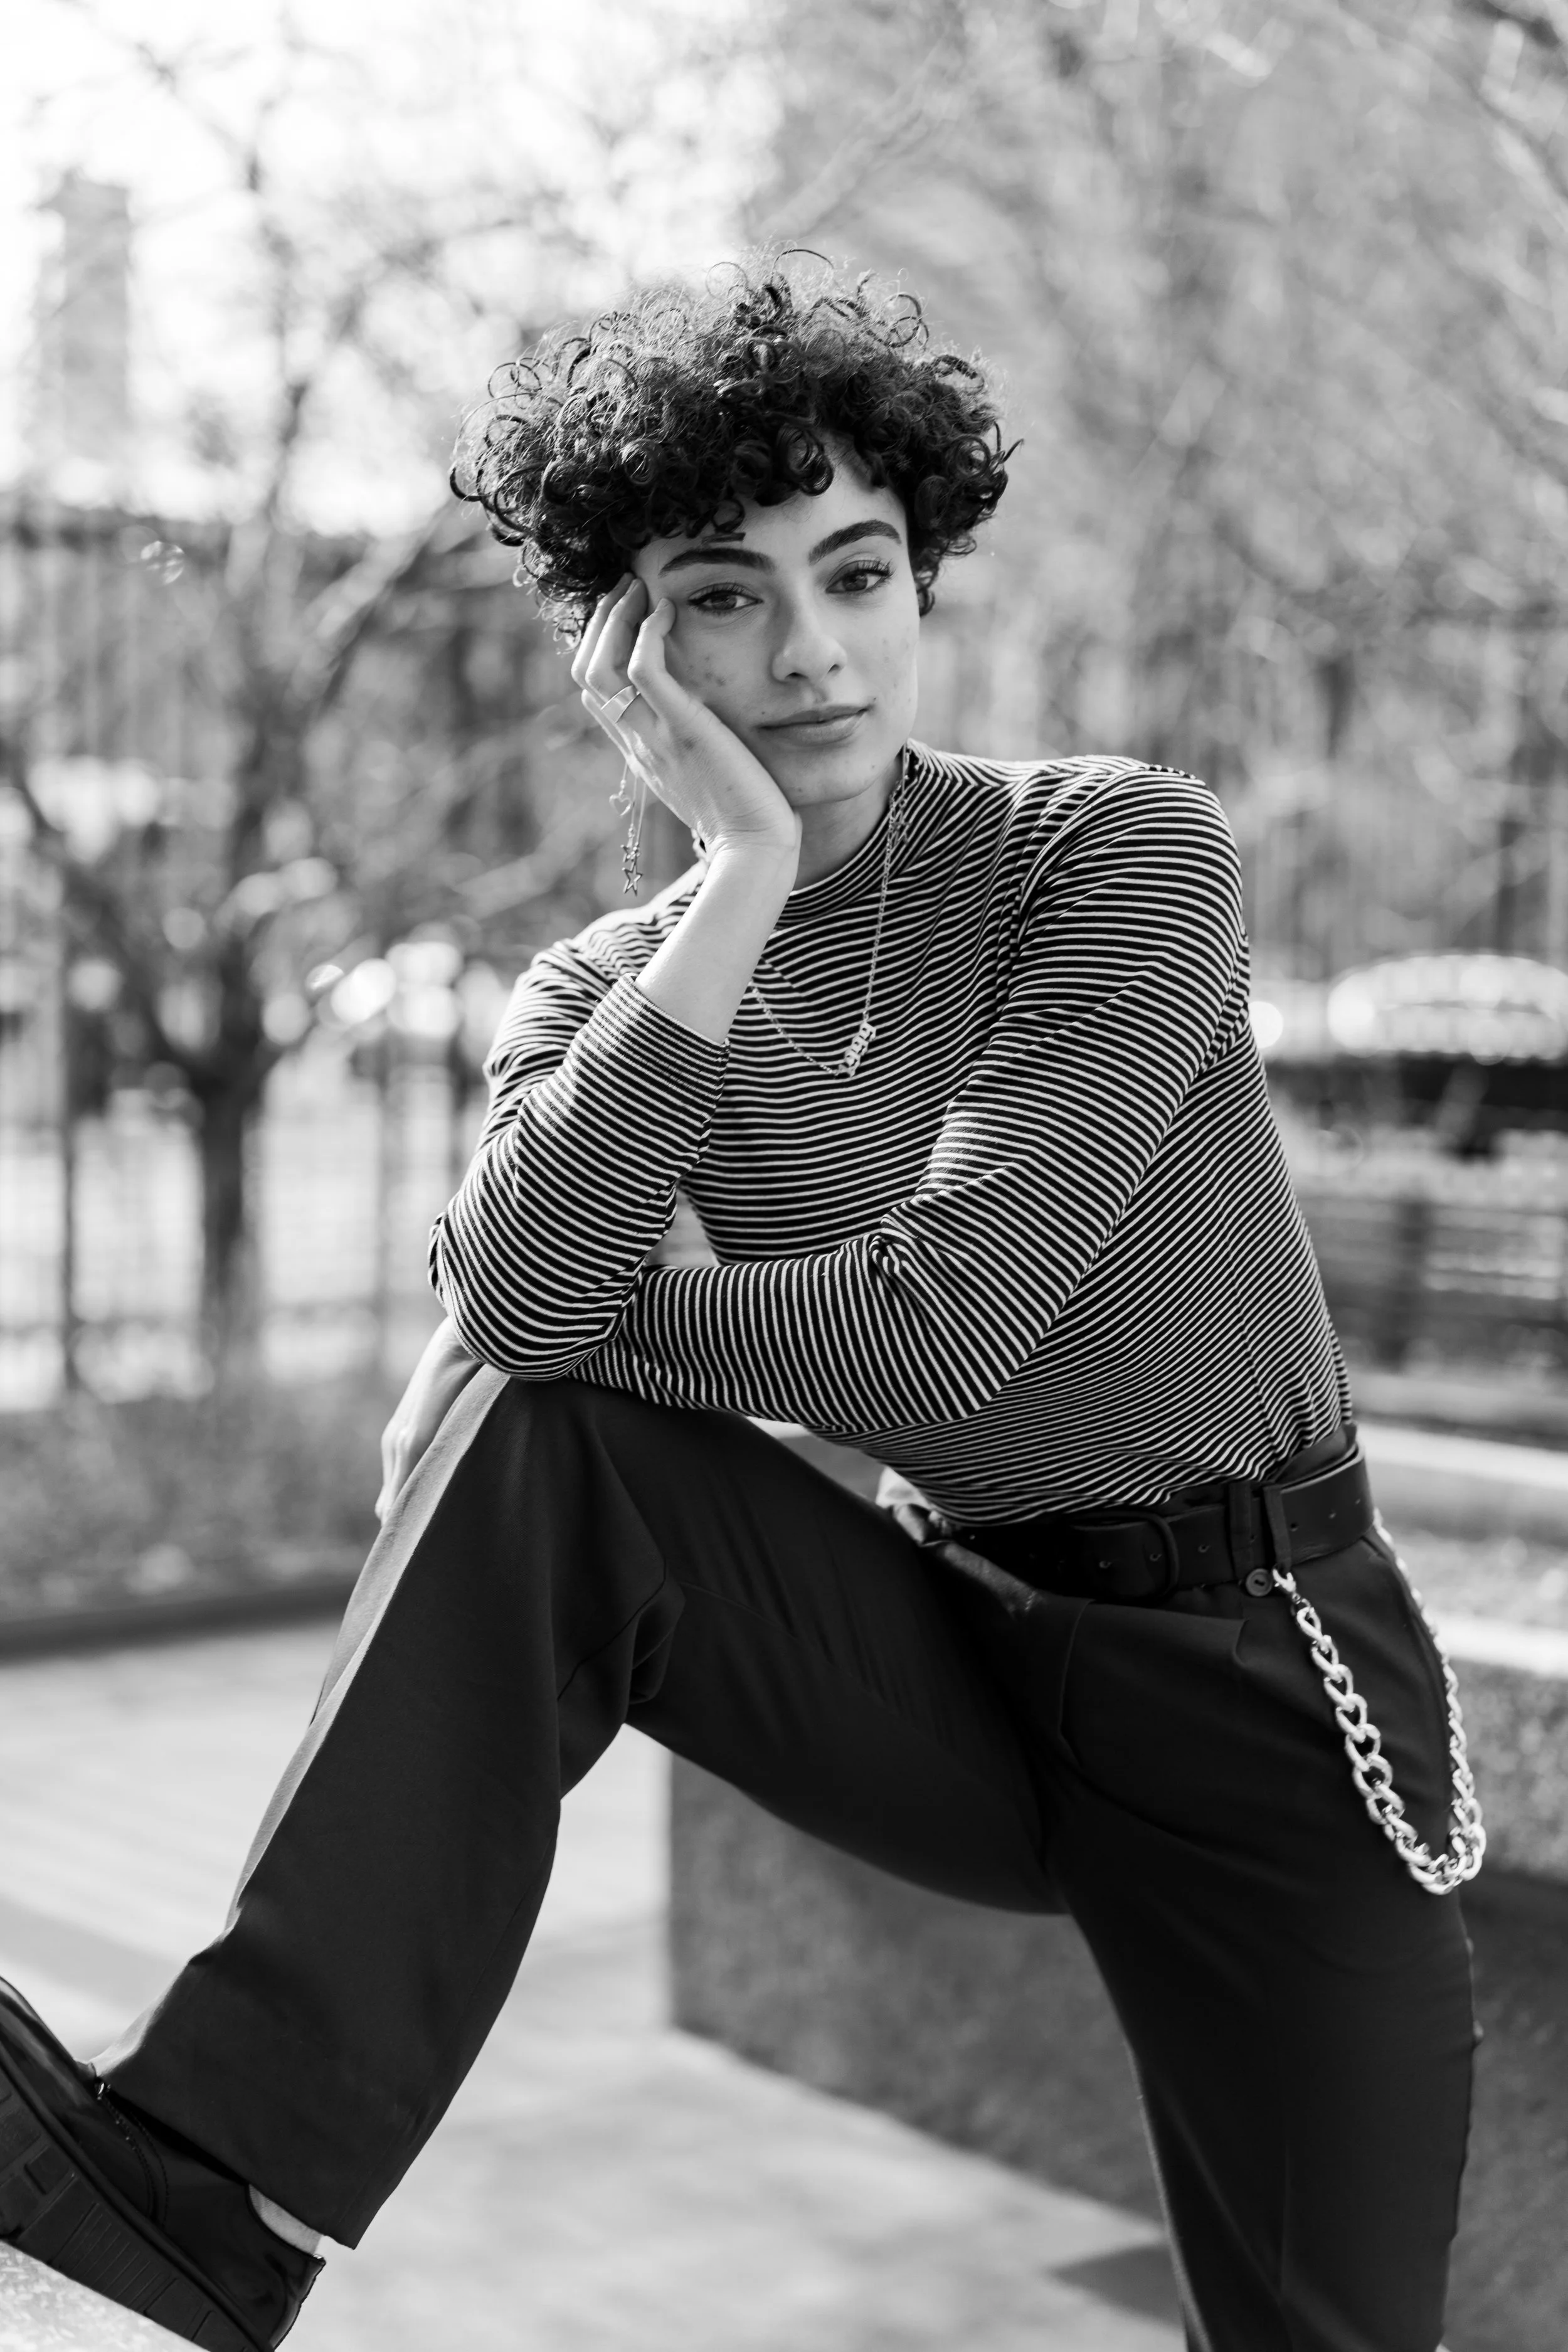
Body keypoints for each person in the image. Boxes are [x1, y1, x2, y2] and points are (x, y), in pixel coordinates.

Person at [0, 256, 1481, 2352]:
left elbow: (934, 1331)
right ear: (623, 644)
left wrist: (597, 1310)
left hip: (1259, 1697)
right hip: (960, 1658)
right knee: (553, 1445)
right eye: (722, 592)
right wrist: (738, 886)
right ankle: (206, 2189)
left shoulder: (1112, 853)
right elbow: (526, 1307)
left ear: (924, 583)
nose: (806, 650)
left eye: (855, 571)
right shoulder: (616, 991)